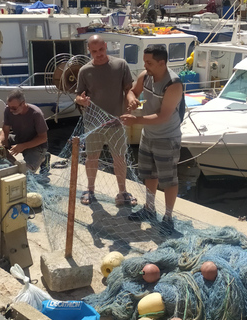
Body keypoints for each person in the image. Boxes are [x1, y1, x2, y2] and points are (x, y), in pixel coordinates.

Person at [120, 45, 183, 235]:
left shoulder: (173, 84)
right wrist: (131, 98)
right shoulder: (145, 76)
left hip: (167, 137)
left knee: (169, 180)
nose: (145, 66)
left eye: (149, 63)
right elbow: (132, 91)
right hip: (148, 135)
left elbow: (163, 116)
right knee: (149, 174)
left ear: (162, 63)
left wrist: (136, 120)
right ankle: (149, 209)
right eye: (144, 62)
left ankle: (168, 218)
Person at [75, 34, 137, 206]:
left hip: (116, 122)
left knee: (119, 158)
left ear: (106, 46)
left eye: (101, 49)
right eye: (94, 51)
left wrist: (131, 99)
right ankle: (90, 189)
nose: (99, 54)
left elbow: (128, 90)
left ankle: (122, 192)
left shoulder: (120, 65)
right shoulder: (84, 71)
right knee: (91, 157)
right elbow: (77, 96)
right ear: (89, 51)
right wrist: (81, 100)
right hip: (93, 123)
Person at [0, 89, 49, 172]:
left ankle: (44, 157)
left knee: (26, 172)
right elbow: (5, 130)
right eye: (9, 106)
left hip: (36, 145)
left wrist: (23, 146)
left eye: (14, 108)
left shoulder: (36, 113)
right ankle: (13, 163)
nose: (10, 110)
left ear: (23, 104)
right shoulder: (8, 110)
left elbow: (43, 138)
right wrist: (0, 141)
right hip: (19, 139)